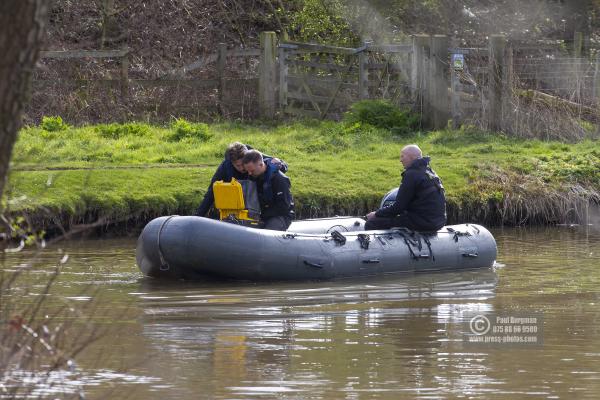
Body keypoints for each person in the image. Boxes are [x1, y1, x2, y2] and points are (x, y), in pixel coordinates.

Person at [365, 144, 446, 232]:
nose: (400, 160)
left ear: (412, 157)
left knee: (372, 223)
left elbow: (398, 207)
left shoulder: (411, 174)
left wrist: (376, 214)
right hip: (439, 222)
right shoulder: (430, 172)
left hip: (424, 222)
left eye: (403, 156)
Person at [195, 142, 287, 217]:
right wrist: (197, 216)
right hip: (232, 206)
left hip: (256, 204)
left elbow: (279, 165)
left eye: (244, 164)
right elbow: (211, 193)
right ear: (231, 163)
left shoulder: (252, 156)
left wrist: (281, 165)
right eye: (238, 166)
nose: (243, 168)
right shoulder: (224, 168)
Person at [242, 149, 294, 231]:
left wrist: (262, 215)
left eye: (252, 171)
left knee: (268, 231)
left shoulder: (279, 179)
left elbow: (283, 207)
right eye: (247, 171)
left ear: (261, 165)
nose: (249, 174)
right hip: (259, 214)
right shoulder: (252, 178)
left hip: (280, 216)